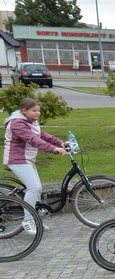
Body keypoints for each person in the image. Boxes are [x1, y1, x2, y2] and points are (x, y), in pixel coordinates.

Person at [2, 98, 68, 233]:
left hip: (27, 159)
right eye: (34, 111)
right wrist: (54, 149)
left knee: (36, 189)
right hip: (17, 159)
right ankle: (28, 221)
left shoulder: (31, 121)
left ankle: (35, 219)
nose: (37, 113)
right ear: (24, 111)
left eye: (39, 110)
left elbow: (43, 135)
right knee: (34, 187)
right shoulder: (17, 123)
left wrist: (60, 143)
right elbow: (33, 140)